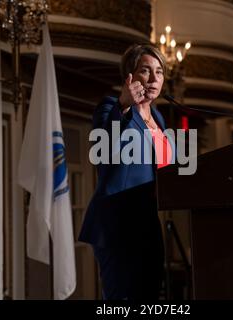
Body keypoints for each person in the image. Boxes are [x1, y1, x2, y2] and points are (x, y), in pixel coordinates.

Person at [79, 44, 175, 300]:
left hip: (147, 224)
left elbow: (166, 165)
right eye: (146, 70)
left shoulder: (158, 118)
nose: (154, 78)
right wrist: (123, 105)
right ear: (129, 76)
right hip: (118, 225)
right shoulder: (110, 107)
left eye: (159, 71)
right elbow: (102, 150)